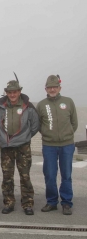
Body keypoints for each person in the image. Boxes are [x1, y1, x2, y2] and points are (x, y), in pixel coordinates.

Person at [36, 75, 78, 215]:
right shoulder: (41, 105)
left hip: (67, 145)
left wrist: (68, 134)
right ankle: (52, 202)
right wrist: (48, 134)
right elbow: (39, 124)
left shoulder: (68, 102)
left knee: (66, 174)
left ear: (59, 88)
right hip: (49, 146)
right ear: (45, 89)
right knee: (50, 174)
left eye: (55, 87)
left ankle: (66, 203)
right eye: (49, 87)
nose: (52, 89)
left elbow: (74, 123)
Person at [0, 80, 39, 215]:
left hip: (23, 147)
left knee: (25, 176)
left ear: (19, 92)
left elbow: (35, 125)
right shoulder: (1, 106)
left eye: (15, 92)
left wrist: (25, 137)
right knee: (7, 177)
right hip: (6, 146)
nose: (12, 94)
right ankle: (9, 203)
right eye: (10, 92)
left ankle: (27, 204)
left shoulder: (28, 106)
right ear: (6, 93)